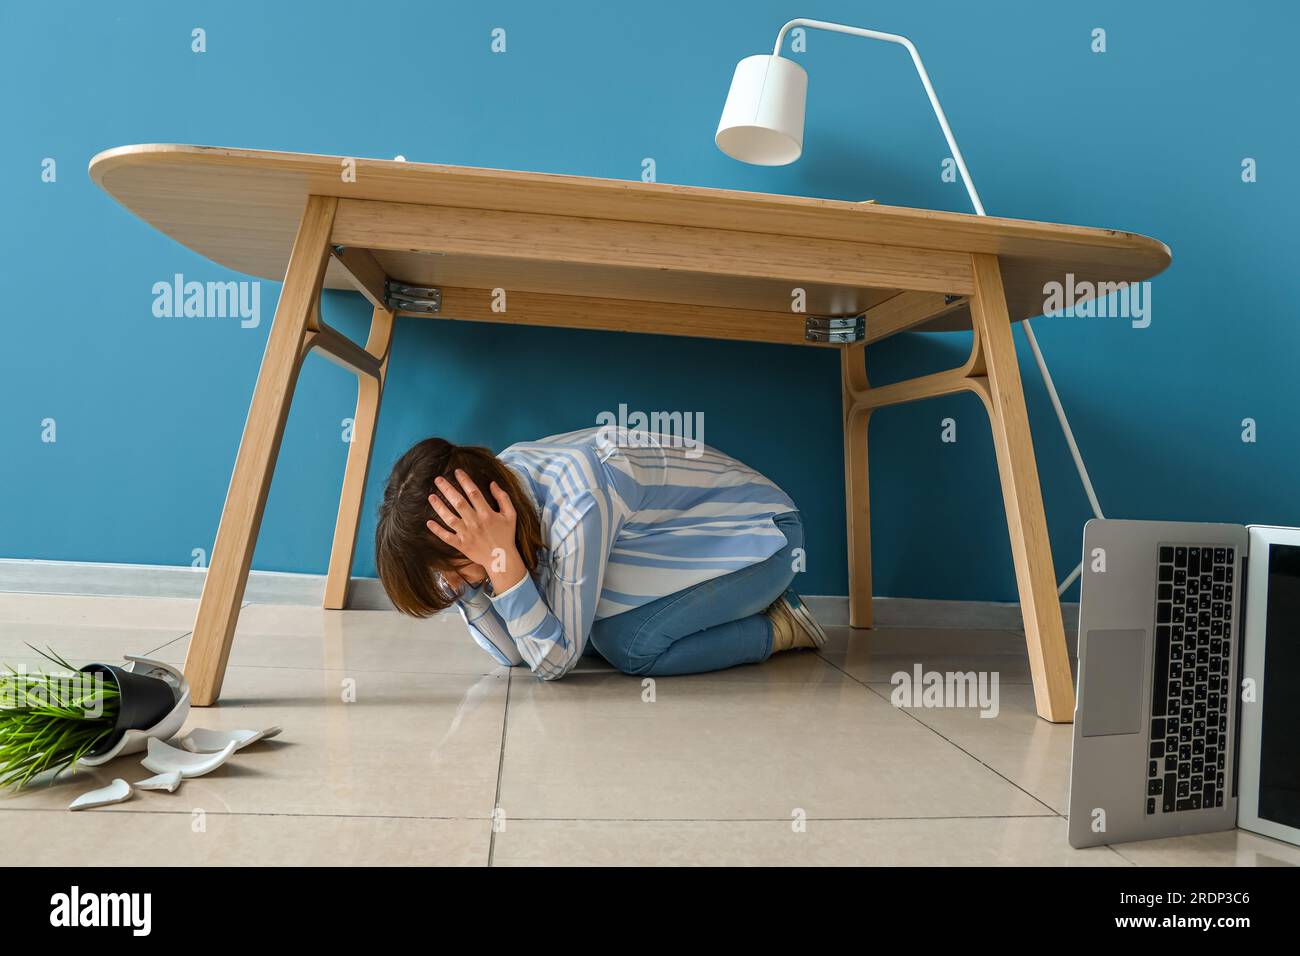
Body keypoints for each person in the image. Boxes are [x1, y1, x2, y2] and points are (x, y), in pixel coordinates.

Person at [374, 427, 825, 680]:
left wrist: (497, 561)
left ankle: (781, 624)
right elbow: (515, 654)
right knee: (582, 631)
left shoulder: (578, 501)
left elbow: (552, 662)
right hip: (678, 550)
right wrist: (466, 585)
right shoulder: (509, 501)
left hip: (764, 537)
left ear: (489, 515)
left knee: (627, 645)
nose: (462, 581)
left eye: (455, 567)